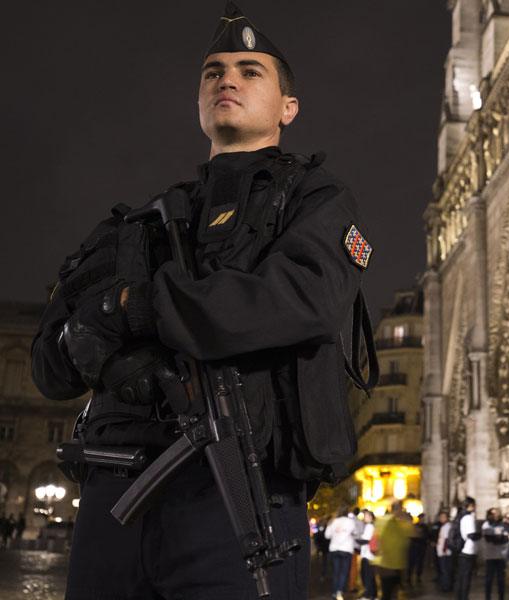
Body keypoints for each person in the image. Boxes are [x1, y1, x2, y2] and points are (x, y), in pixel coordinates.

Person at [29, 4, 377, 598]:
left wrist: (142, 310)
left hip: (237, 494)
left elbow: (302, 297)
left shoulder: (312, 199)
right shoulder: (138, 225)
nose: (228, 79)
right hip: (115, 500)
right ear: (198, 102)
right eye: (213, 71)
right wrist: (101, 331)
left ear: (288, 108)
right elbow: (51, 363)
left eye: (250, 70)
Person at [372, 501, 413, 600]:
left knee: (392, 591)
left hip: (396, 563)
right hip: (387, 563)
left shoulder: (400, 523)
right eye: (399, 509)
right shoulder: (386, 521)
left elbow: (408, 538)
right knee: (387, 592)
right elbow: (375, 539)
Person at [326, 507, 359, 600]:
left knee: (336, 571)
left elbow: (327, 535)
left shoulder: (333, 521)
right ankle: (339, 592)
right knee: (343, 572)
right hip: (346, 549)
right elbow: (356, 532)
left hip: (334, 549)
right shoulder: (350, 522)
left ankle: (334, 592)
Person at [482, 507, 509, 600]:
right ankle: (487, 597)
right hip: (490, 556)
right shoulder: (486, 525)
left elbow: (506, 538)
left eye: (497, 513)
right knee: (489, 579)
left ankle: (501, 597)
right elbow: (489, 538)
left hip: (501, 555)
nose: (495, 516)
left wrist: (499, 538)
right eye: (493, 514)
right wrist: (498, 537)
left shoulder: (503, 524)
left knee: (501, 579)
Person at [455, 497, 481, 600]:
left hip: (463, 551)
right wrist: (480, 534)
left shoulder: (462, 516)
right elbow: (471, 535)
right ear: (471, 506)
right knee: (466, 577)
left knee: (462, 576)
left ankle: (460, 596)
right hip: (468, 550)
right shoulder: (469, 517)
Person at [358, 510, 378, 600]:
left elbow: (366, 540)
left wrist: (355, 539)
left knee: (366, 576)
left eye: (366, 516)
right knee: (370, 575)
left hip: (368, 555)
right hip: (370, 555)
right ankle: (373, 595)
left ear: (370, 517)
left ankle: (367, 595)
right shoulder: (372, 526)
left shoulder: (369, 526)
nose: (364, 518)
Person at [407, 512, 428, 587]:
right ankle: (409, 577)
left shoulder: (425, 527)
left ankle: (418, 576)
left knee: (420, 563)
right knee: (412, 563)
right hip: (414, 547)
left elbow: (427, 536)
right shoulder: (415, 526)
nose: (422, 519)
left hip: (421, 547)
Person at [436, 510, 454, 592]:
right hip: (444, 552)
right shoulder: (444, 526)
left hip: (445, 552)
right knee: (446, 570)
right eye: (440, 517)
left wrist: (444, 550)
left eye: (443, 517)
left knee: (445, 570)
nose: (441, 518)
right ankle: (447, 585)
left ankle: (446, 586)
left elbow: (446, 540)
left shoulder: (446, 527)